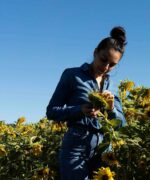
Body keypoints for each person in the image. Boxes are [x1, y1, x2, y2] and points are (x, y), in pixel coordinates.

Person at [46, 26, 127, 180]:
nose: (106, 67)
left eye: (112, 64)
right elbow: (51, 111)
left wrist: (111, 110)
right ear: (95, 52)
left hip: (104, 149)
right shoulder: (72, 75)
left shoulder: (112, 87)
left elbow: (121, 124)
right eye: (103, 59)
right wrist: (79, 109)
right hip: (76, 146)